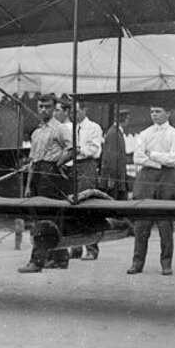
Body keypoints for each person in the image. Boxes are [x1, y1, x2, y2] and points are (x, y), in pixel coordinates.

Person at [18, 94, 73, 273]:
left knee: (45, 218)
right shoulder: (37, 132)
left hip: (52, 175)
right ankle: (60, 258)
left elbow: (73, 149)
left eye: (47, 106)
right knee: (45, 217)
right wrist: (28, 186)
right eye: (40, 106)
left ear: (54, 107)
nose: (43, 110)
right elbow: (33, 161)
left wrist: (57, 164)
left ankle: (36, 261)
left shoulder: (61, 128)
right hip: (37, 175)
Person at [126, 105, 175, 276]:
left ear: (168, 113)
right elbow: (138, 157)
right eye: (152, 111)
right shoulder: (144, 134)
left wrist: (152, 154)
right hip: (146, 178)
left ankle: (166, 263)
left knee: (165, 224)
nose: (154, 115)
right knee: (142, 223)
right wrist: (158, 161)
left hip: (167, 179)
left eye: (158, 111)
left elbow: (174, 160)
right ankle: (137, 262)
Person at [69, 100, 103, 260]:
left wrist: (76, 150)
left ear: (84, 110)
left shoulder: (94, 128)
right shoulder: (70, 128)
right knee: (72, 207)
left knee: (87, 207)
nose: (72, 115)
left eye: (75, 111)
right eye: (70, 111)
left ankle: (91, 248)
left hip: (87, 167)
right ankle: (75, 247)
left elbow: (91, 150)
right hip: (73, 167)